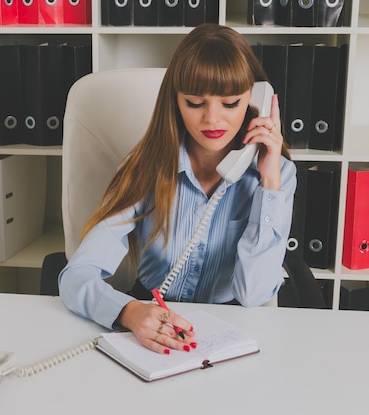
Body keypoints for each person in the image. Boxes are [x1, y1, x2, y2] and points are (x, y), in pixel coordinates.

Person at [58, 23, 296, 355]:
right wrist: (129, 311)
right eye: (195, 103)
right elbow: (75, 277)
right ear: (175, 101)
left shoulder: (277, 174)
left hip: (230, 332)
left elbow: (254, 294)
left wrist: (269, 184)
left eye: (230, 103)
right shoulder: (145, 167)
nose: (212, 119)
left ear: (256, 101)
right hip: (152, 324)